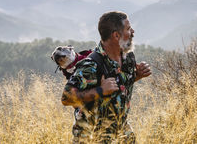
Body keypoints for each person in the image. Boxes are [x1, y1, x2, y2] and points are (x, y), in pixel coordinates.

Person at [61, 11, 152, 143]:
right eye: (128, 28)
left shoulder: (128, 58)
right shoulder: (91, 65)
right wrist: (100, 91)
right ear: (116, 35)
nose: (133, 31)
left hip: (122, 135)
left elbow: (119, 85)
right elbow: (66, 98)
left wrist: (137, 76)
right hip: (92, 138)